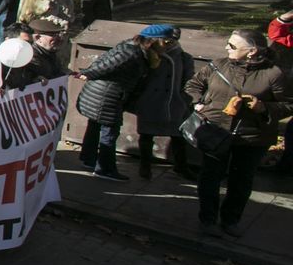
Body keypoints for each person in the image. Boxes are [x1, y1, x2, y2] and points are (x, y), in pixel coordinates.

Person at [185, 29, 291, 238]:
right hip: (215, 130)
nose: (227, 48)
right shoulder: (218, 65)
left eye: (232, 46)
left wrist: (263, 107)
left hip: (252, 137)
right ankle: (207, 219)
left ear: (251, 51)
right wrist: (197, 102)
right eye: (228, 43)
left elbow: (288, 104)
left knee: (241, 181)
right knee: (210, 177)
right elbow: (193, 85)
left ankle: (230, 220)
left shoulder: (273, 74)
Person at [73, 29, 160, 181]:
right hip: (106, 95)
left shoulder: (132, 47)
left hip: (103, 93)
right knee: (109, 131)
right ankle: (105, 169)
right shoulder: (131, 52)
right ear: (153, 41)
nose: (168, 45)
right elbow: (106, 65)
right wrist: (87, 73)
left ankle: (89, 159)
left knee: (95, 125)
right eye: (166, 42)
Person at [130, 25, 194, 180]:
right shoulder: (147, 53)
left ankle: (181, 166)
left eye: (171, 41)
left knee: (179, 136)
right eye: (167, 41)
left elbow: (189, 81)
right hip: (150, 101)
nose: (169, 43)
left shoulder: (184, 57)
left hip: (174, 103)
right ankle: (145, 166)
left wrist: (185, 99)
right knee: (146, 135)